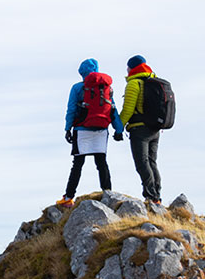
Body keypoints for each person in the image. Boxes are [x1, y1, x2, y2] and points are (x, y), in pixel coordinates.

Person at [57, 58, 124, 209]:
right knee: (101, 163)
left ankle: (68, 198)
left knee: (77, 165)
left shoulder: (77, 88)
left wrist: (67, 129)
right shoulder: (106, 88)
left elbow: (71, 110)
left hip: (82, 130)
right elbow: (112, 109)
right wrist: (118, 130)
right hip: (101, 130)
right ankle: (108, 193)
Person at [119, 54, 161, 205]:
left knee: (142, 163)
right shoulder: (154, 81)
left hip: (139, 130)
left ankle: (151, 196)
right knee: (152, 162)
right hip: (155, 129)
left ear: (132, 68)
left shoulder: (134, 84)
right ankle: (157, 196)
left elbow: (128, 110)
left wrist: (119, 128)